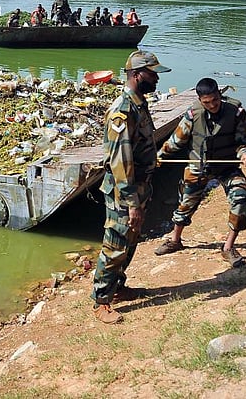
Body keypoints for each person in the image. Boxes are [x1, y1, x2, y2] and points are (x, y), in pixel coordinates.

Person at [92, 50, 171, 324]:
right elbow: (120, 160)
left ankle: (118, 288)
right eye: (153, 73)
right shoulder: (123, 111)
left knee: (131, 240)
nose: (157, 79)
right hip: (123, 193)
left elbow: (139, 148)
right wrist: (132, 202)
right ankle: (101, 300)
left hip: (139, 188)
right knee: (115, 243)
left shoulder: (140, 104)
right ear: (138, 75)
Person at [154, 78, 246, 267]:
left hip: (228, 167)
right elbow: (176, 141)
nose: (212, 105)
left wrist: (245, 154)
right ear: (200, 100)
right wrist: (159, 156)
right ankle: (175, 240)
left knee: (241, 199)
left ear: (220, 95)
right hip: (199, 166)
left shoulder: (236, 113)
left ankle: (228, 248)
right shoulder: (193, 115)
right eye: (207, 102)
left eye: (215, 101)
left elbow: (245, 141)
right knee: (185, 204)